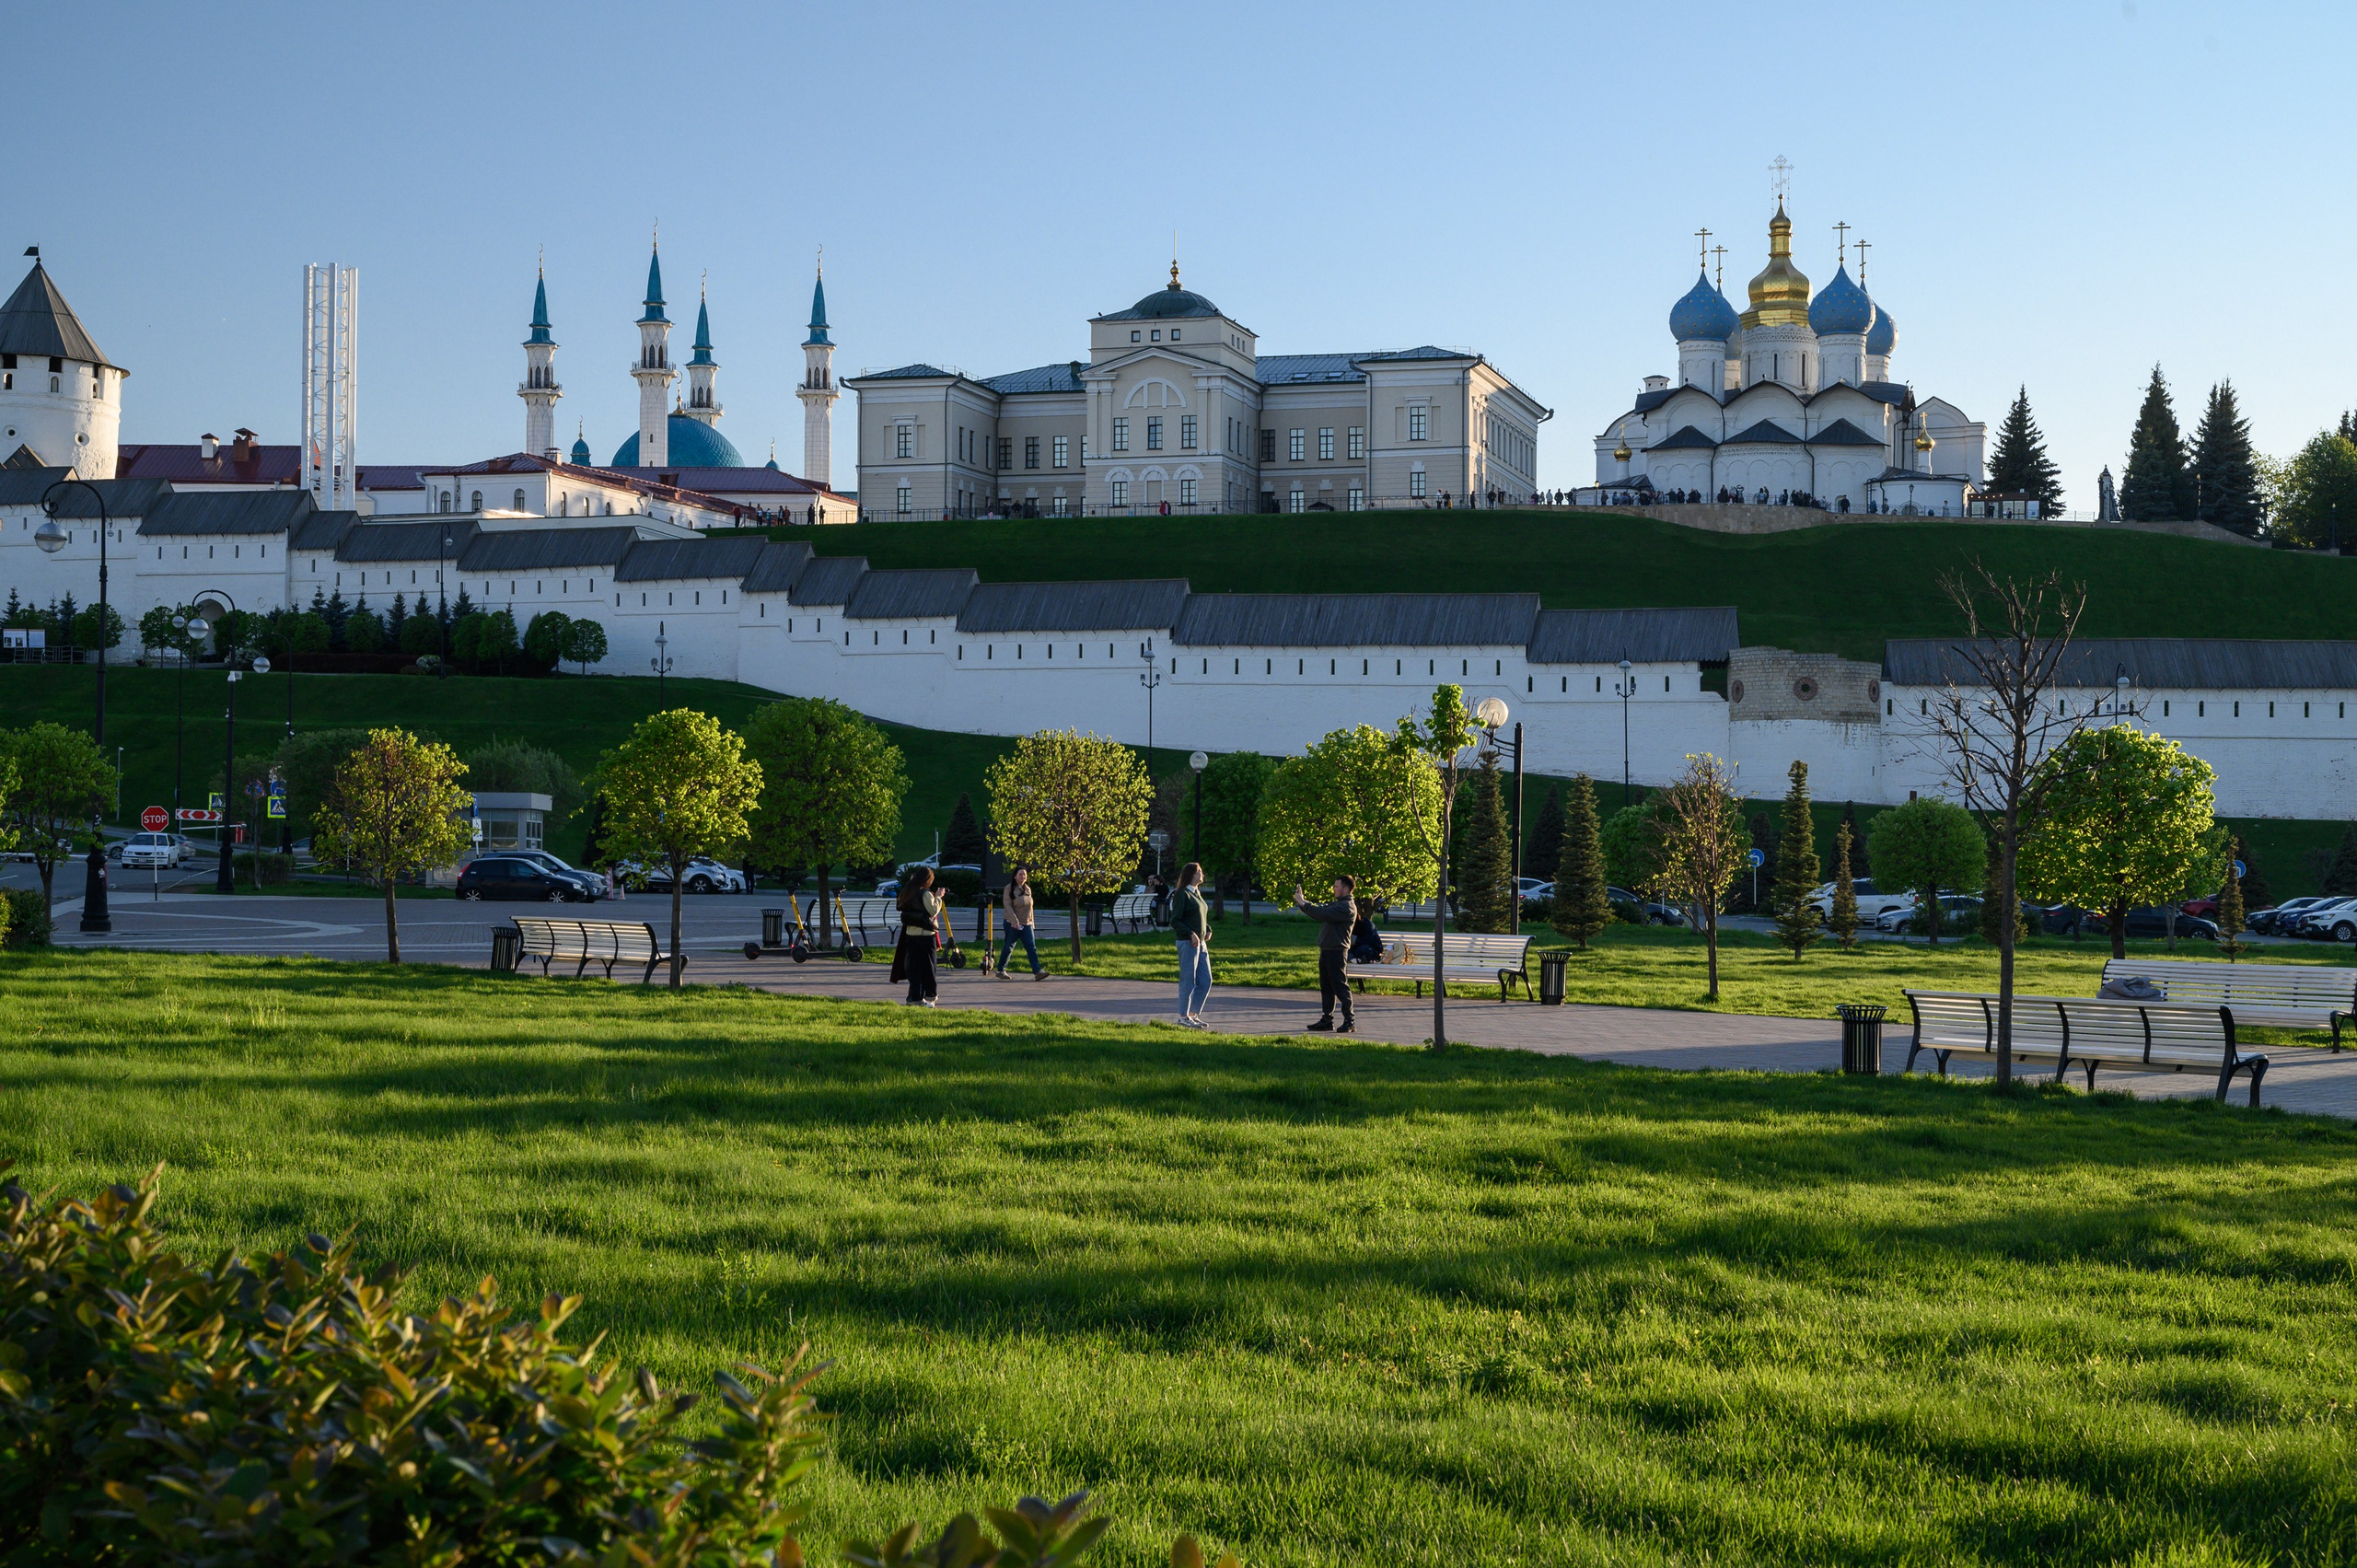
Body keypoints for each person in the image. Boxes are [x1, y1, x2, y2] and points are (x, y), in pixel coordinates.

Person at [1292, 874, 1357, 1033]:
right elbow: (1320, 911)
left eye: (1336, 886)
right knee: (1327, 987)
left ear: (1346, 889)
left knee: (1340, 987)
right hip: (1327, 950)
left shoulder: (1346, 907)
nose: (1333, 888)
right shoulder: (1338, 904)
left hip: (1337, 951)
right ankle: (1327, 1020)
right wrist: (1303, 903)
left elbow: (1323, 914)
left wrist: (1303, 902)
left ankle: (1350, 1021)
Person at [1172, 861, 1212, 1028]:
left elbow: (1199, 915)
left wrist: (1208, 929)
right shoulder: (1182, 894)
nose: (1202, 874)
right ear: (1192, 875)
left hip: (1201, 944)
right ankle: (1183, 1017)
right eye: (1199, 872)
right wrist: (1190, 933)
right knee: (1188, 980)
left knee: (1205, 980)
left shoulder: (1197, 893)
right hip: (1188, 943)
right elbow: (1175, 920)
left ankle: (1193, 1015)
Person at [892, 866, 941, 1006]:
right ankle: (929, 996)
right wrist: (938, 897)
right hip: (925, 935)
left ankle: (915, 998)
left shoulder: (908, 892)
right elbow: (932, 910)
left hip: (910, 935)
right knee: (928, 967)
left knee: (914, 969)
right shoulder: (925, 893)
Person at [996, 865, 1045, 981]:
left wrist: (1032, 923)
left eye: (1024, 874)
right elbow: (1007, 905)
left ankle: (1037, 972)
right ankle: (1001, 970)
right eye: (1020, 874)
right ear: (1015, 876)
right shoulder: (1009, 889)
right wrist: (1014, 921)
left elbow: (1030, 908)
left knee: (1031, 947)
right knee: (1009, 946)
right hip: (1012, 924)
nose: (1023, 876)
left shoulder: (1028, 889)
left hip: (1026, 923)